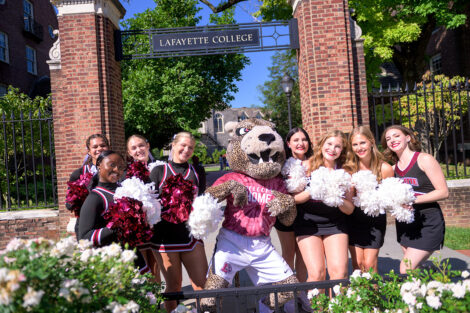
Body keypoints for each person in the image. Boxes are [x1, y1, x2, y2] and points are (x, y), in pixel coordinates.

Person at [147, 132, 208, 312]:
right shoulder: (159, 171)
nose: (186, 150)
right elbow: (149, 204)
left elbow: (202, 200)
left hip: (191, 235)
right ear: (173, 145)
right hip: (165, 238)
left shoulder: (197, 171)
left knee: (202, 285)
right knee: (174, 287)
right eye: (183, 145)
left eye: (190, 147)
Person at [381, 125, 448, 274]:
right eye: (388, 139)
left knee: (405, 268)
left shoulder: (424, 159)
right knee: (414, 271)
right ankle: (429, 293)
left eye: (396, 136)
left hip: (427, 221)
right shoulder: (393, 169)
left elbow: (443, 191)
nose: (392, 140)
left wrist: (412, 200)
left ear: (408, 137)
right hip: (406, 224)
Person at [293, 130, 354, 287]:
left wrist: (335, 196)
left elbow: (349, 209)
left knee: (339, 273)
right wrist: (312, 190)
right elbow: (293, 199)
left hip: (335, 224)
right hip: (308, 224)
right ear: (321, 145)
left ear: (341, 151)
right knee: (317, 274)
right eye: (329, 144)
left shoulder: (344, 172)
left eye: (337, 146)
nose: (332, 149)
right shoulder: (305, 167)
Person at [343, 126, 394, 273]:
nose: (359, 148)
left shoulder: (384, 168)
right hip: (354, 220)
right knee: (358, 265)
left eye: (363, 143)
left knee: (370, 265)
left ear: (371, 142)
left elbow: (390, 199)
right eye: (355, 144)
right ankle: (359, 296)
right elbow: (348, 200)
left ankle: (373, 296)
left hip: (375, 221)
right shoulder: (349, 169)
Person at [275, 127, 312, 282]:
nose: (300, 143)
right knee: (289, 253)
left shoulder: (316, 162)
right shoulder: (280, 165)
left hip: (309, 215)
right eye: (296, 140)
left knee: (304, 255)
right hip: (286, 215)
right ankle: (288, 292)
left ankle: (302, 292)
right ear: (288, 143)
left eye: (304, 139)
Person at [126, 134, 161, 281]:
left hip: (159, 228)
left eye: (141, 145)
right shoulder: (125, 174)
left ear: (148, 146)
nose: (138, 150)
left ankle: (161, 301)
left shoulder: (160, 168)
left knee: (157, 269)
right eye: (133, 148)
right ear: (129, 152)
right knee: (144, 273)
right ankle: (150, 302)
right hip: (138, 231)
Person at [77, 150, 126, 245]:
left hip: (131, 253)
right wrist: (115, 226)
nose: (116, 170)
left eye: (120, 167)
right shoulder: (95, 198)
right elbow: (84, 238)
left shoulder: (125, 190)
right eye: (112, 165)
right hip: (111, 257)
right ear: (99, 165)